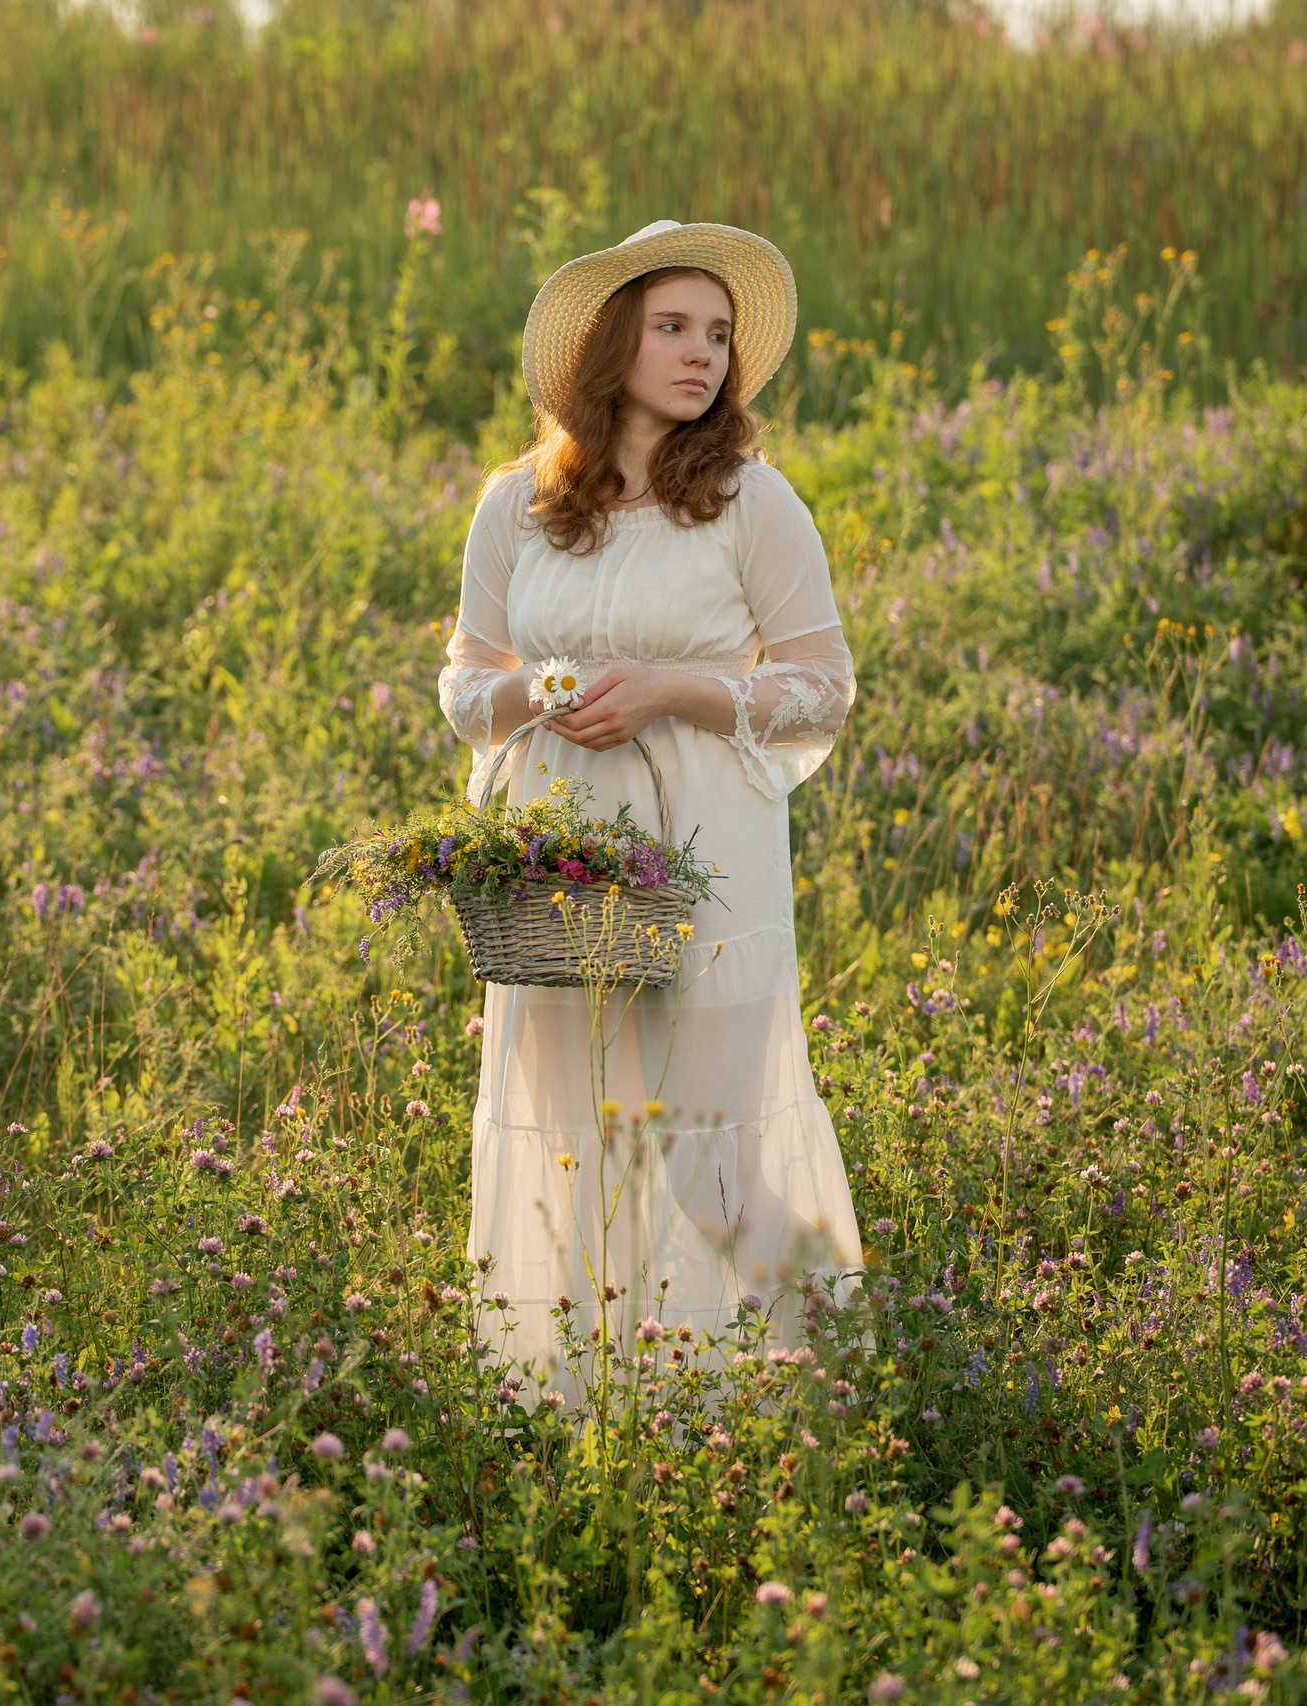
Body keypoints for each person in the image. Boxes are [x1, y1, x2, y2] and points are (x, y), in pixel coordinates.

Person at [437, 220, 865, 1399]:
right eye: (673, 327)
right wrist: (536, 691)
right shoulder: (515, 503)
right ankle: (586, 1397)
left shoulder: (748, 500)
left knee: (706, 1127)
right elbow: (469, 691)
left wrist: (678, 689)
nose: (702, 355)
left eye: (718, 335)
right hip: (560, 854)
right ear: (609, 341)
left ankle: (794, 1391)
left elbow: (823, 684)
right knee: (579, 1118)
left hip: (706, 845)